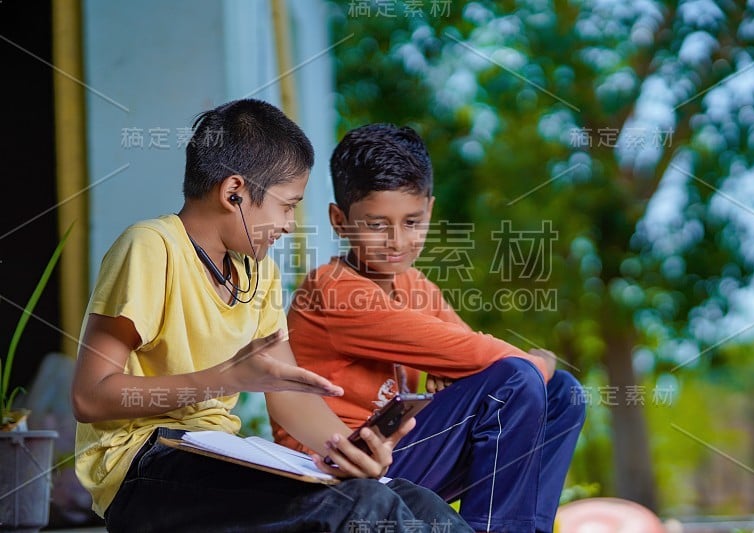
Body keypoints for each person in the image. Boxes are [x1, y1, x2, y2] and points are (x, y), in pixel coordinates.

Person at [71, 100, 472, 533]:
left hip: (217, 454)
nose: (291, 224)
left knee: (414, 501)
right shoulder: (151, 247)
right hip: (146, 468)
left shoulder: (257, 271)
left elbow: (288, 393)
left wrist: (349, 449)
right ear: (234, 193)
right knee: (364, 506)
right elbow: (90, 397)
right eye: (287, 205)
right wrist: (227, 378)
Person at [271, 123, 586, 533]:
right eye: (377, 224)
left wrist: (482, 368)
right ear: (339, 220)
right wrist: (537, 358)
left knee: (563, 393)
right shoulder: (335, 290)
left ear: (430, 211)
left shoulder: (415, 285)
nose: (398, 241)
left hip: (401, 451)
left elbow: (475, 359)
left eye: (412, 221)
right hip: (340, 467)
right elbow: (495, 364)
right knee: (521, 380)